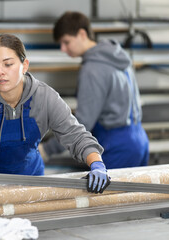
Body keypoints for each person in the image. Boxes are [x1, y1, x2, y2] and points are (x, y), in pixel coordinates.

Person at [0, 34, 110, 193]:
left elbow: (76, 136)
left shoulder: (45, 97)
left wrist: (97, 164)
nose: (0, 72)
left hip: (32, 182)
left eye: (8, 64)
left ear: (24, 65)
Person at [40, 11, 149, 169]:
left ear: (82, 34)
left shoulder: (92, 68)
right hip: (139, 139)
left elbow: (83, 124)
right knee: (138, 194)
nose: (63, 49)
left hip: (116, 145)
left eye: (66, 42)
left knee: (104, 193)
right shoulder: (117, 56)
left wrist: (47, 149)